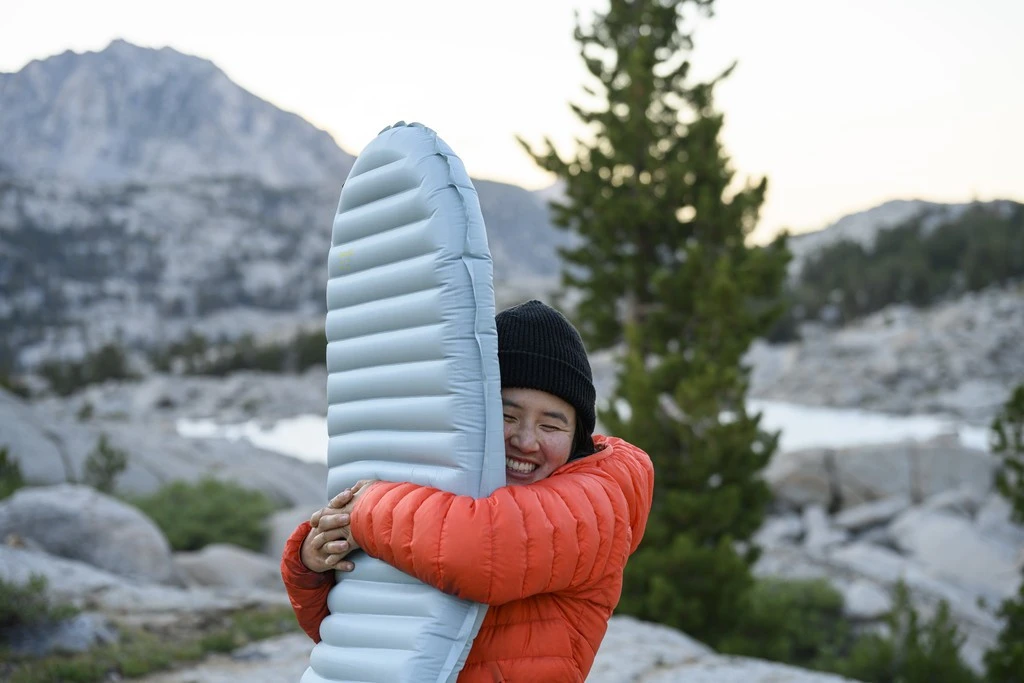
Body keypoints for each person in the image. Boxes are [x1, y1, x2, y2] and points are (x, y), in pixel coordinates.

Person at [281, 300, 654, 682]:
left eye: (551, 426)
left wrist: (365, 511)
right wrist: (314, 564)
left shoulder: (599, 501)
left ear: (577, 437)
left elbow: (486, 550)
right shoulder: (453, 493)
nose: (526, 441)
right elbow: (353, 634)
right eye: (507, 416)